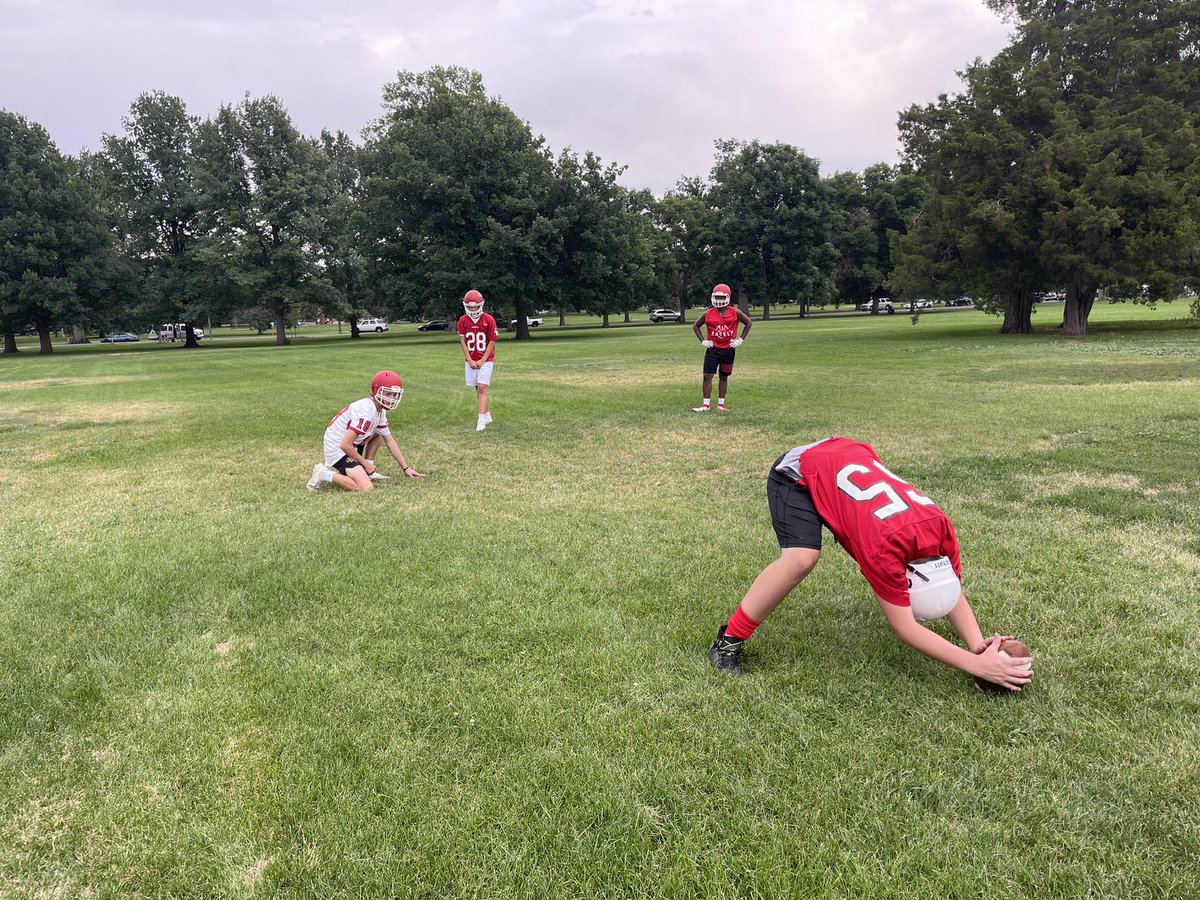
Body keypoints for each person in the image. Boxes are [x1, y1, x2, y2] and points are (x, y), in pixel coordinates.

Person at [707, 436, 1033, 691]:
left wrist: (978, 646)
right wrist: (975, 666)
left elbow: (950, 592)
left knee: (837, 535)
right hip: (799, 471)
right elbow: (905, 627)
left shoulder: (941, 528)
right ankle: (728, 640)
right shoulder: (886, 548)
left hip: (848, 457)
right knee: (801, 559)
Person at [306, 370, 424, 493]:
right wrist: (365, 465)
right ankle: (323, 473)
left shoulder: (379, 411)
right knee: (365, 488)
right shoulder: (366, 410)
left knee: (379, 432)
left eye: (395, 395)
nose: (392, 399)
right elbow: (345, 445)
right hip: (338, 448)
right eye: (388, 394)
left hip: (351, 443)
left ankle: (366, 472)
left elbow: (389, 441)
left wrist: (406, 468)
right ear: (375, 391)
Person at [692, 283, 752, 412]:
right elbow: (696, 326)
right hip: (713, 349)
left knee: (724, 376)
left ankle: (721, 404)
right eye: (717, 297)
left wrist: (740, 339)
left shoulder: (735, 312)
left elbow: (748, 323)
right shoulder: (708, 313)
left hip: (728, 349)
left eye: (721, 297)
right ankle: (706, 404)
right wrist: (703, 341)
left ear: (727, 297)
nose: (719, 300)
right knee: (707, 376)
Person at [458, 289, 499, 432]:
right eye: (470, 307)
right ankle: (487, 415)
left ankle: (481, 420)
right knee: (477, 387)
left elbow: (492, 341)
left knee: (482, 387)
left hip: (486, 359)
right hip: (471, 359)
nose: (473, 309)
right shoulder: (463, 320)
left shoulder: (488, 319)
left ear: (481, 305)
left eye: (475, 306)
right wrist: (469, 359)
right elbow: (463, 341)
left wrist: (482, 360)